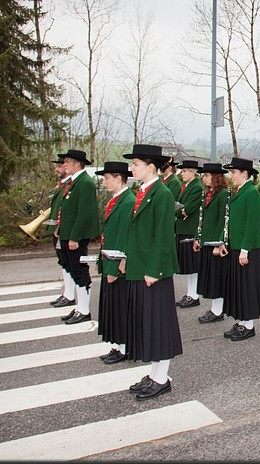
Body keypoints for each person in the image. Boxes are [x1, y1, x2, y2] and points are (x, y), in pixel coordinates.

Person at [120, 144, 183, 400]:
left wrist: (155, 269)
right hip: (139, 267)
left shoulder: (162, 194)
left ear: (151, 166)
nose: (132, 168)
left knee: (159, 325)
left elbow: (163, 235)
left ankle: (162, 377)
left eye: (136, 164)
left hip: (153, 271)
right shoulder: (143, 191)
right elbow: (135, 232)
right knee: (147, 323)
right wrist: (126, 259)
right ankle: (154, 373)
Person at [221, 157, 260, 341]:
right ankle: (241, 321)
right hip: (236, 246)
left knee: (247, 288)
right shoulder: (240, 191)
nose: (231, 176)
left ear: (244, 173)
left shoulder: (251, 192)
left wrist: (244, 250)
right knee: (239, 287)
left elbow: (251, 223)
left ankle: (249, 326)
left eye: (233, 172)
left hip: (246, 248)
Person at [96, 161, 135, 364]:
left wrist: (114, 267)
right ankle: (118, 345)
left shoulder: (128, 201)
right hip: (109, 259)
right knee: (112, 306)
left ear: (119, 178)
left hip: (117, 264)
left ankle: (124, 347)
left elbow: (123, 237)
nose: (104, 182)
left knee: (120, 308)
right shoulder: (117, 199)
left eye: (107, 178)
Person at [56, 149, 100, 325]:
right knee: (73, 269)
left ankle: (84, 310)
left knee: (80, 271)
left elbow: (84, 213)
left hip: (76, 236)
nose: (64, 164)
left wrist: (75, 237)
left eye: (67, 162)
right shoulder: (75, 181)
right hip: (68, 233)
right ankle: (79, 307)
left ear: (77, 164)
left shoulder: (85, 182)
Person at [195, 162, 230, 324]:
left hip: (215, 243)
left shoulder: (223, 194)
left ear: (216, 177)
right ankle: (215, 308)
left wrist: (218, 243)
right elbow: (201, 219)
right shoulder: (208, 193)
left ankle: (218, 310)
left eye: (207, 176)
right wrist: (197, 237)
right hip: (206, 240)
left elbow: (223, 220)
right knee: (210, 277)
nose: (204, 179)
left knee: (216, 278)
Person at [174, 160, 203, 308]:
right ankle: (190, 293)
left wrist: (180, 211)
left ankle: (194, 295)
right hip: (182, 229)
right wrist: (180, 210)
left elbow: (188, 209)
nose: (182, 174)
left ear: (193, 172)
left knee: (192, 265)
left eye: (185, 171)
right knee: (187, 266)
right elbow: (179, 208)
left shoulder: (196, 187)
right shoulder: (186, 186)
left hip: (190, 230)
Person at [48, 158, 75, 308]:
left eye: (60, 166)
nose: (57, 169)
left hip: (63, 230)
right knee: (63, 262)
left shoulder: (70, 185)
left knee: (68, 263)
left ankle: (70, 295)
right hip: (58, 229)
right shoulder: (63, 185)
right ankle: (67, 293)